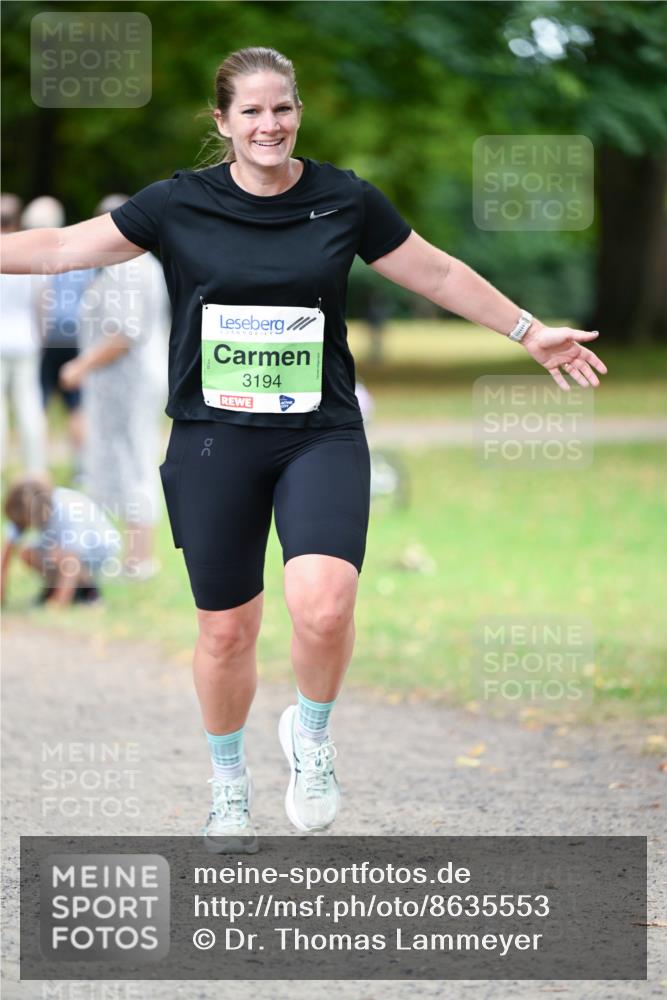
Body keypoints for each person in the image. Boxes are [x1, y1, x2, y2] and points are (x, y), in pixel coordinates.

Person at [0, 47, 607, 851]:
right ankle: (226, 785)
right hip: (215, 440)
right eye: (249, 111)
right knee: (226, 630)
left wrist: (529, 332)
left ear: (297, 113)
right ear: (221, 122)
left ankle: (311, 738)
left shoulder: (342, 198)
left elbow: (435, 272)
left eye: (280, 108)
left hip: (318, 432)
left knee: (323, 606)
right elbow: (58, 249)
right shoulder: (176, 204)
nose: (268, 124)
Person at [59, 194, 170, 580]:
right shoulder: (139, 263)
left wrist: (80, 366)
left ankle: (139, 558)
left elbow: (125, 333)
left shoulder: (128, 267)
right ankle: (123, 554)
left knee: (133, 463)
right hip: (126, 381)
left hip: (129, 380)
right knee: (119, 463)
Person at [22, 196, 92, 475]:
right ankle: (82, 467)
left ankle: (39, 464)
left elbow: (38, 299)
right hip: (74, 334)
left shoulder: (34, 256)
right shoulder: (75, 257)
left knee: (39, 402)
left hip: (47, 335)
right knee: (76, 405)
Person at [1, 475, 122, 607]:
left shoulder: (67, 510)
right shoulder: (23, 510)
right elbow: (6, 552)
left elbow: (71, 559)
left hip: (97, 552)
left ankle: (88, 591)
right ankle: (56, 588)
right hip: (63, 549)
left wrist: (59, 602)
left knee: (58, 553)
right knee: (28, 552)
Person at [0, 194, 48, 474]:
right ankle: (35, 467)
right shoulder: (27, 250)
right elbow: (42, 301)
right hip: (26, 338)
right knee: (29, 406)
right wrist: (41, 338)